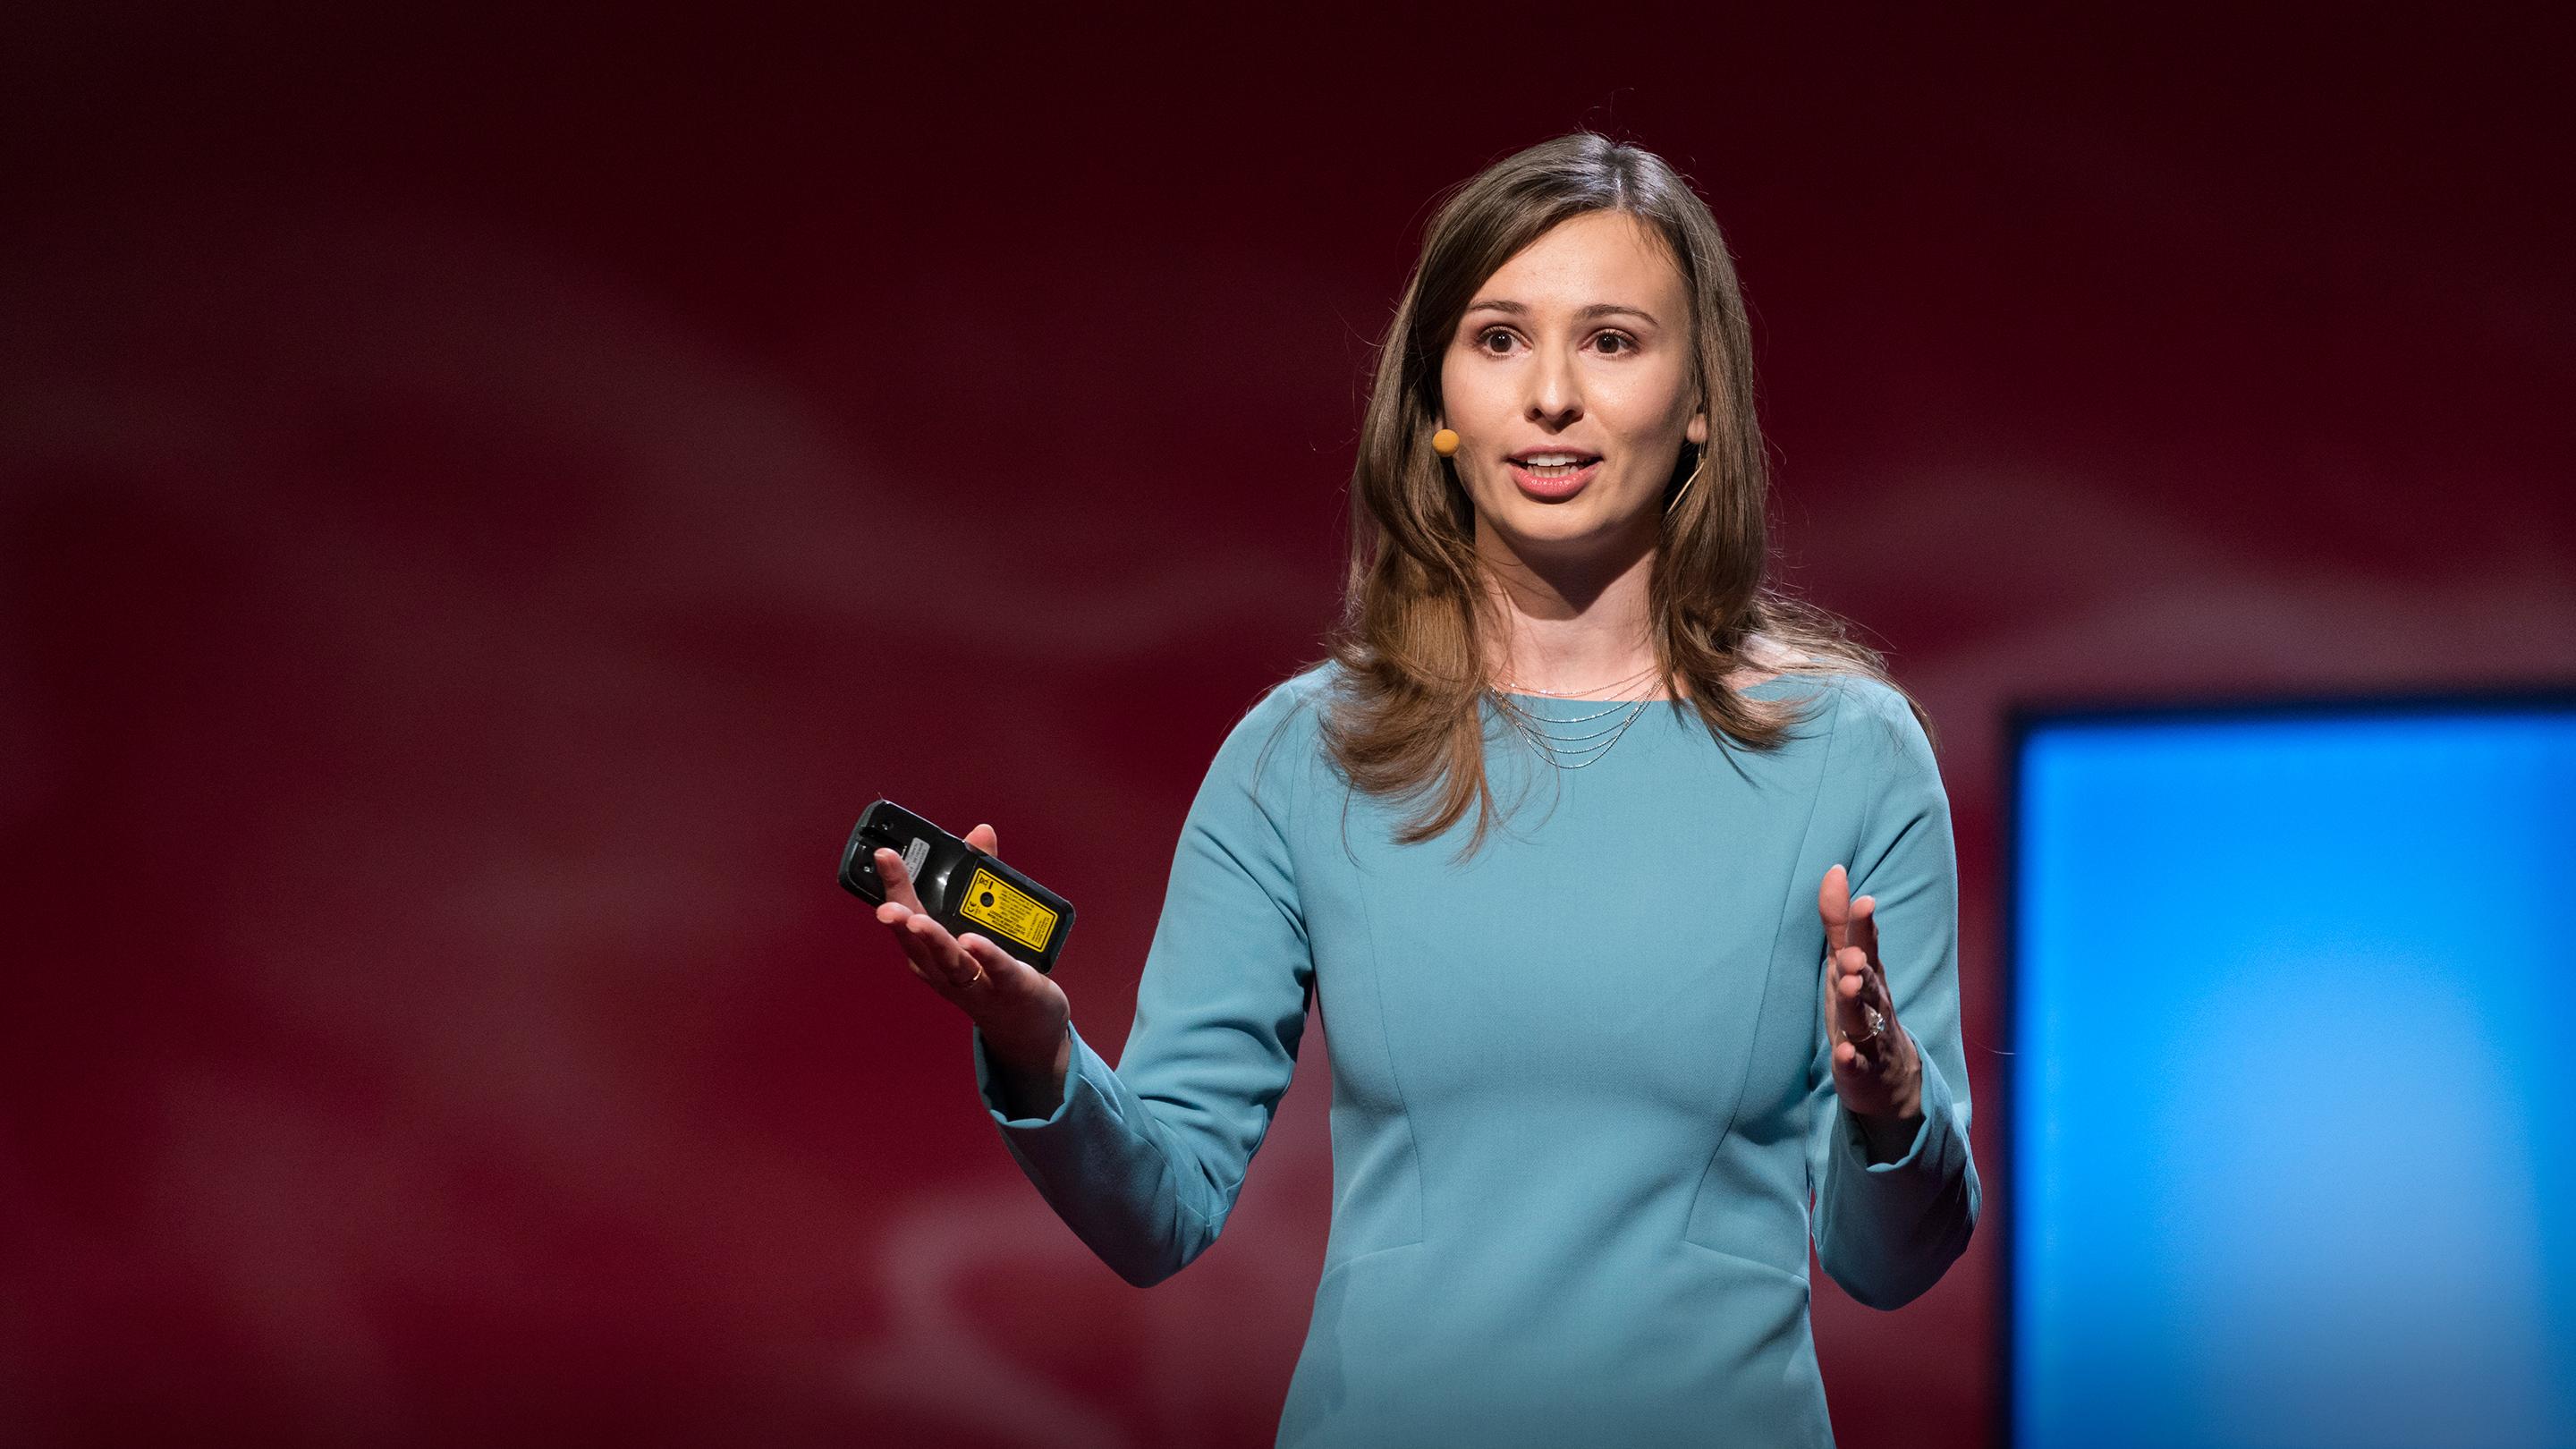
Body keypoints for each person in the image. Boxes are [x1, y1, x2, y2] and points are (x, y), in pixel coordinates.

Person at [867, 131, 1979, 1448]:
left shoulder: (1849, 753)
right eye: (1500, 339)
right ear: (1439, 400)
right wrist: (1038, 1049)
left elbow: (1889, 1266)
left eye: (1612, 340)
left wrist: (1890, 1105)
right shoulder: (1303, 754)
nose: (1551, 395)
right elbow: (1160, 1214)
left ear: (1700, 401)